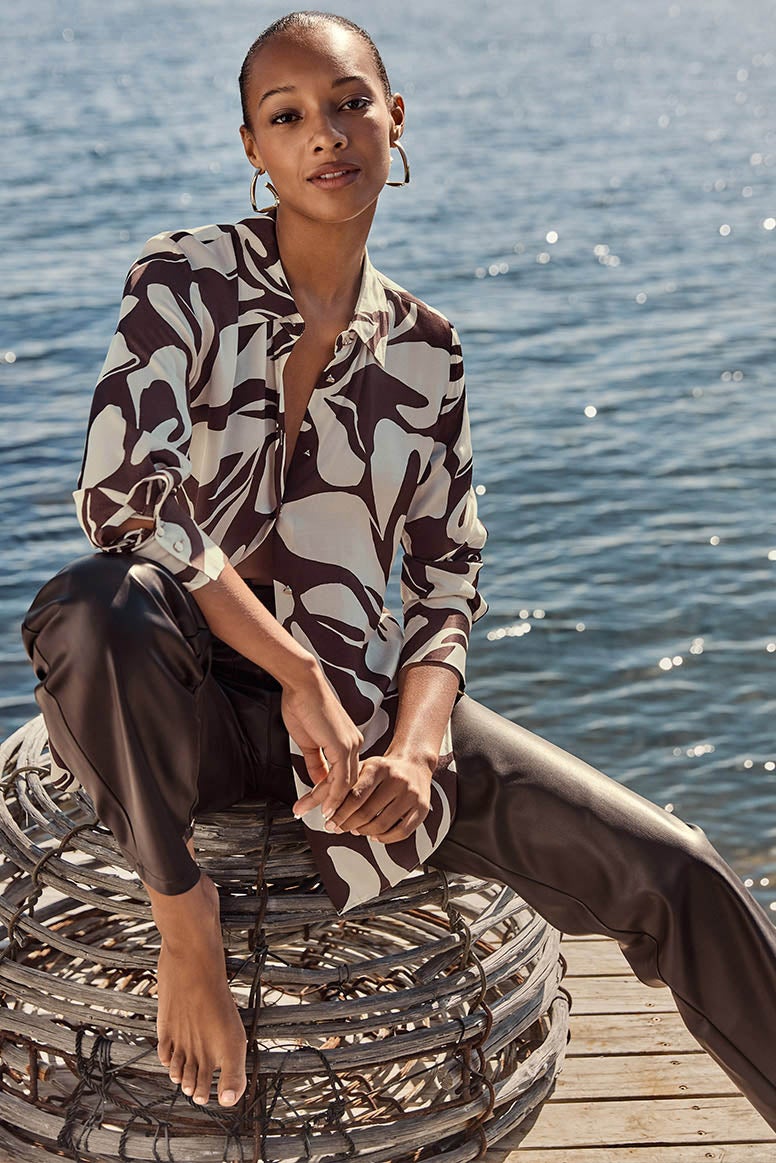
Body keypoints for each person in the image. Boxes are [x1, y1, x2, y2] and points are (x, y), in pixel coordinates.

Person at [20, 8, 776, 1132]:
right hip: (172, 702)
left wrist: (417, 749)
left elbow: (445, 575)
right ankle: (186, 922)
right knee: (96, 603)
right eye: (288, 117)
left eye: (348, 104)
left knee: (676, 867)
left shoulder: (426, 346)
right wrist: (291, 670)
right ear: (253, 149)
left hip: (361, 725)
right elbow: (128, 496)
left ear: (393, 119)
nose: (324, 135)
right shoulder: (181, 280)